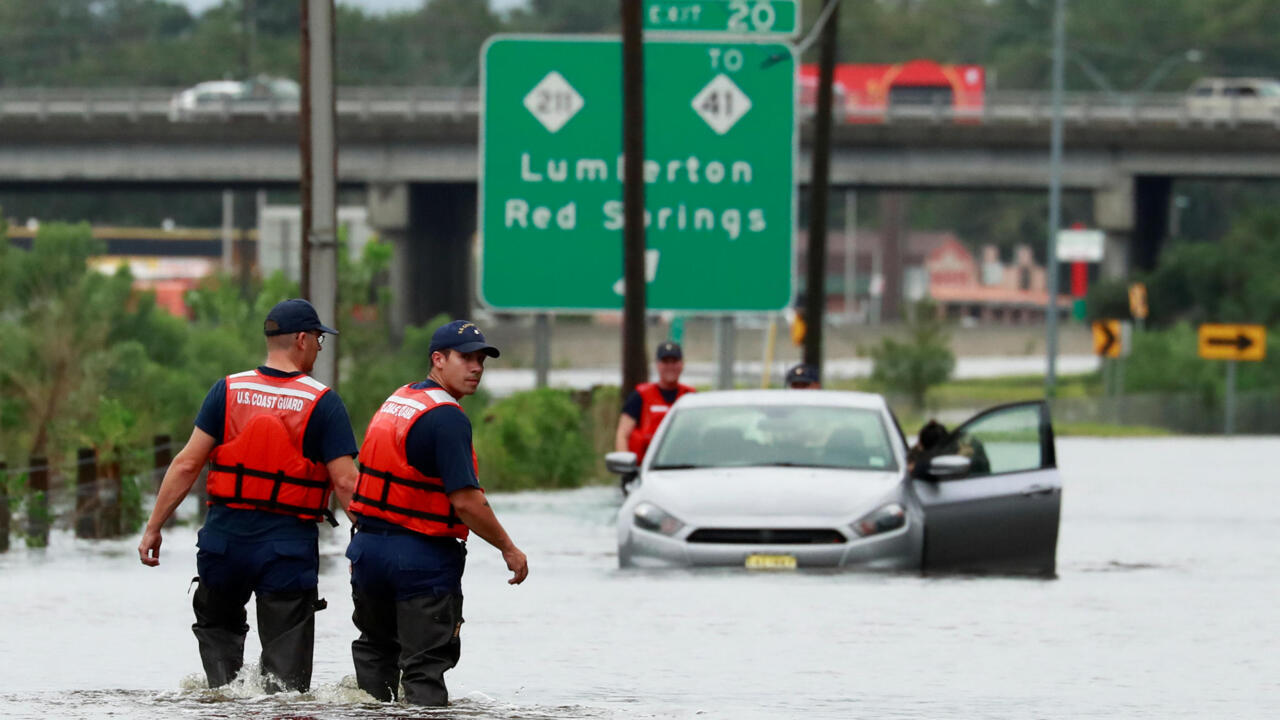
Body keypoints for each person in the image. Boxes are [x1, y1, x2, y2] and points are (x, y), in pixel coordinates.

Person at [137, 298, 358, 693]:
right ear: (303, 340)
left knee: (221, 668)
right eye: (320, 341)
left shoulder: (227, 390)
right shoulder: (323, 403)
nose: (320, 348)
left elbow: (187, 464)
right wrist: (370, 540)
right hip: (286, 549)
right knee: (285, 686)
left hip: (224, 544)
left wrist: (153, 527)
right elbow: (346, 484)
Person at [347, 319, 529, 706]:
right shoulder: (447, 417)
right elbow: (466, 502)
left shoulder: (400, 399)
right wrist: (508, 548)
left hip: (367, 552)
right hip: (419, 558)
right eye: (466, 358)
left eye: (481, 359)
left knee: (375, 661)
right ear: (438, 359)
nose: (476, 367)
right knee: (424, 670)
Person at [614, 341, 696, 462]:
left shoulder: (690, 397)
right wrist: (626, 467)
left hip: (684, 466)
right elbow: (622, 434)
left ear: (682, 364)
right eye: (665, 362)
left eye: (674, 361)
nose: (670, 366)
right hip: (644, 468)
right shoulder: (640, 396)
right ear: (657, 365)